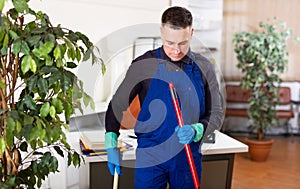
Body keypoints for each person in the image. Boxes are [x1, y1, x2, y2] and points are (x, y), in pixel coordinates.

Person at [105, 6, 223, 189]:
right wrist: (111, 141)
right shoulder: (144, 65)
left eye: (182, 43)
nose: (176, 50)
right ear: (161, 32)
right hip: (151, 157)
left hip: (187, 156)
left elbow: (216, 113)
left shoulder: (203, 67)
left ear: (192, 32)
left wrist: (198, 129)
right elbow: (118, 103)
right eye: (169, 43)